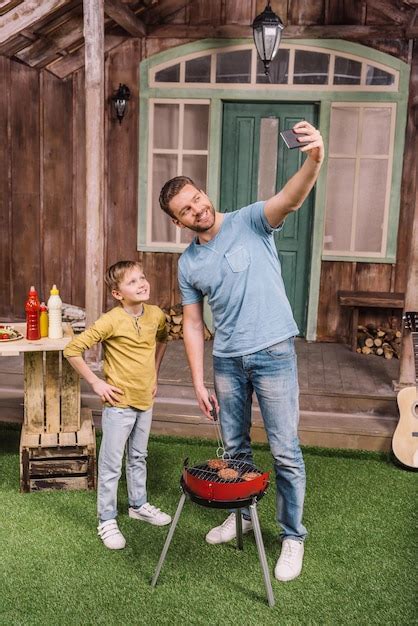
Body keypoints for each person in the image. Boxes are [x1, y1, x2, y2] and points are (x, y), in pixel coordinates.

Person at [159, 121, 324, 581]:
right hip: (227, 361)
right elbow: (193, 324)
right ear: (178, 222)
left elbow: (289, 197)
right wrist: (196, 379)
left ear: (204, 193)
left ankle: (292, 536)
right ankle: (240, 517)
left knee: (286, 450)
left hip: (272, 352)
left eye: (197, 198)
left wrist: (313, 159)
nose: (198, 209)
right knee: (234, 450)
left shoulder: (252, 220)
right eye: (186, 210)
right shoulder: (188, 262)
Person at [63, 260, 171, 550]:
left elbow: (163, 339)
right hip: (119, 404)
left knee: (138, 457)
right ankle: (106, 519)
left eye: (142, 278)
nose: (142, 284)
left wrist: (155, 374)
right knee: (111, 465)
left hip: (145, 400)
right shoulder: (110, 320)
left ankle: (138, 505)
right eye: (132, 282)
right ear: (117, 293)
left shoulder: (156, 315)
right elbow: (72, 349)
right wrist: (97, 383)